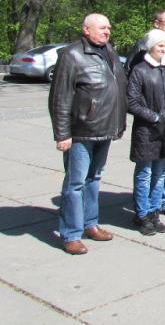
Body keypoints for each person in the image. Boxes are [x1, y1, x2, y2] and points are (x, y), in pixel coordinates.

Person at [49, 13, 127, 255]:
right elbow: (59, 99)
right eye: (102, 28)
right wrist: (62, 134)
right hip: (81, 132)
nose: (107, 31)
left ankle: (90, 224)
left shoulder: (110, 51)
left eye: (109, 28)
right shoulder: (71, 55)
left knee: (94, 180)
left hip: (104, 129)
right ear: (86, 30)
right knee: (75, 183)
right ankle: (71, 234)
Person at [125, 10, 165, 219]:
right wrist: (152, 115)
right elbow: (132, 89)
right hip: (149, 121)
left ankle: (164, 202)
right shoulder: (141, 53)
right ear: (156, 24)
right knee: (146, 171)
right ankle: (144, 210)